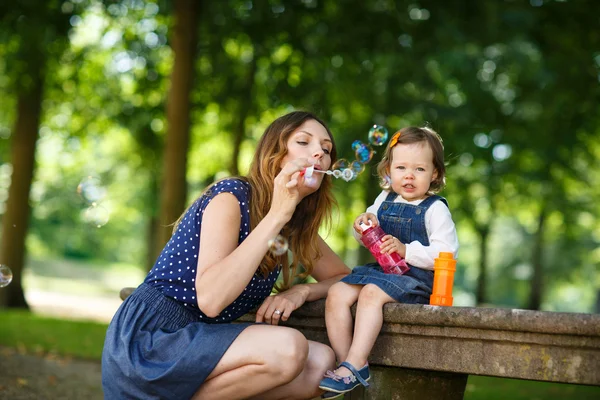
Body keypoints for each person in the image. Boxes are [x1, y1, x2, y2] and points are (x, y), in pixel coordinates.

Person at [102, 111, 351, 400]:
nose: (319, 152)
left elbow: (344, 276)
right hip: (152, 341)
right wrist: (277, 214)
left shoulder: (292, 225)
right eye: (304, 142)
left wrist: (302, 291)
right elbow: (210, 300)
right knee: (289, 348)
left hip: (201, 344)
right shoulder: (232, 196)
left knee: (320, 363)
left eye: (327, 149)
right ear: (274, 153)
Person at [318, 126, 459, 398]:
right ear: (388, 170)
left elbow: (447, 254)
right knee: (336, 292)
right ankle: (347, 361)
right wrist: (362, 225)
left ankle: (355, 364)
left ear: (435, 174)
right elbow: (367, 234)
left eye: (419, 169)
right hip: (384, 273)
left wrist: (407, 251)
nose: (408, 175)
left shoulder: (435, 209)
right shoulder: (384, 199)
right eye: (401, 167)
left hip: (416, 280)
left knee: (370, 294)